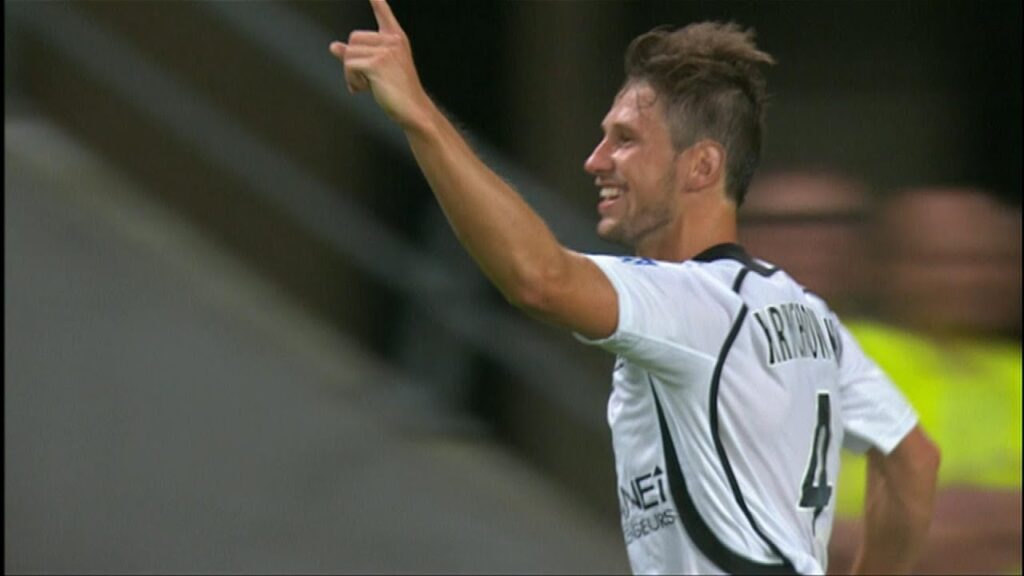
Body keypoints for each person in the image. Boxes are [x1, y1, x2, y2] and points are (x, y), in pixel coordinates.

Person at [329, 2, 940, 573]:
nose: (596, 160)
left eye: (624, 139)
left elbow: (538, 277)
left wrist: (419, 115)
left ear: (702, 165)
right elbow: (912, 459)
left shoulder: (694, 303)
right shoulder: (808, 315)